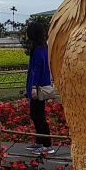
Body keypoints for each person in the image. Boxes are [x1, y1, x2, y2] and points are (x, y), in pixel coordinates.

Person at [24, 19, 55, 156]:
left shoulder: (39, 49)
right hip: (36, 85)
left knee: (39, 115)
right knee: (35, 114)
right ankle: (40, 142)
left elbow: (38, 69)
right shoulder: (40, 47)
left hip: (39, 86)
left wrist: (34, 87)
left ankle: (47, 145)